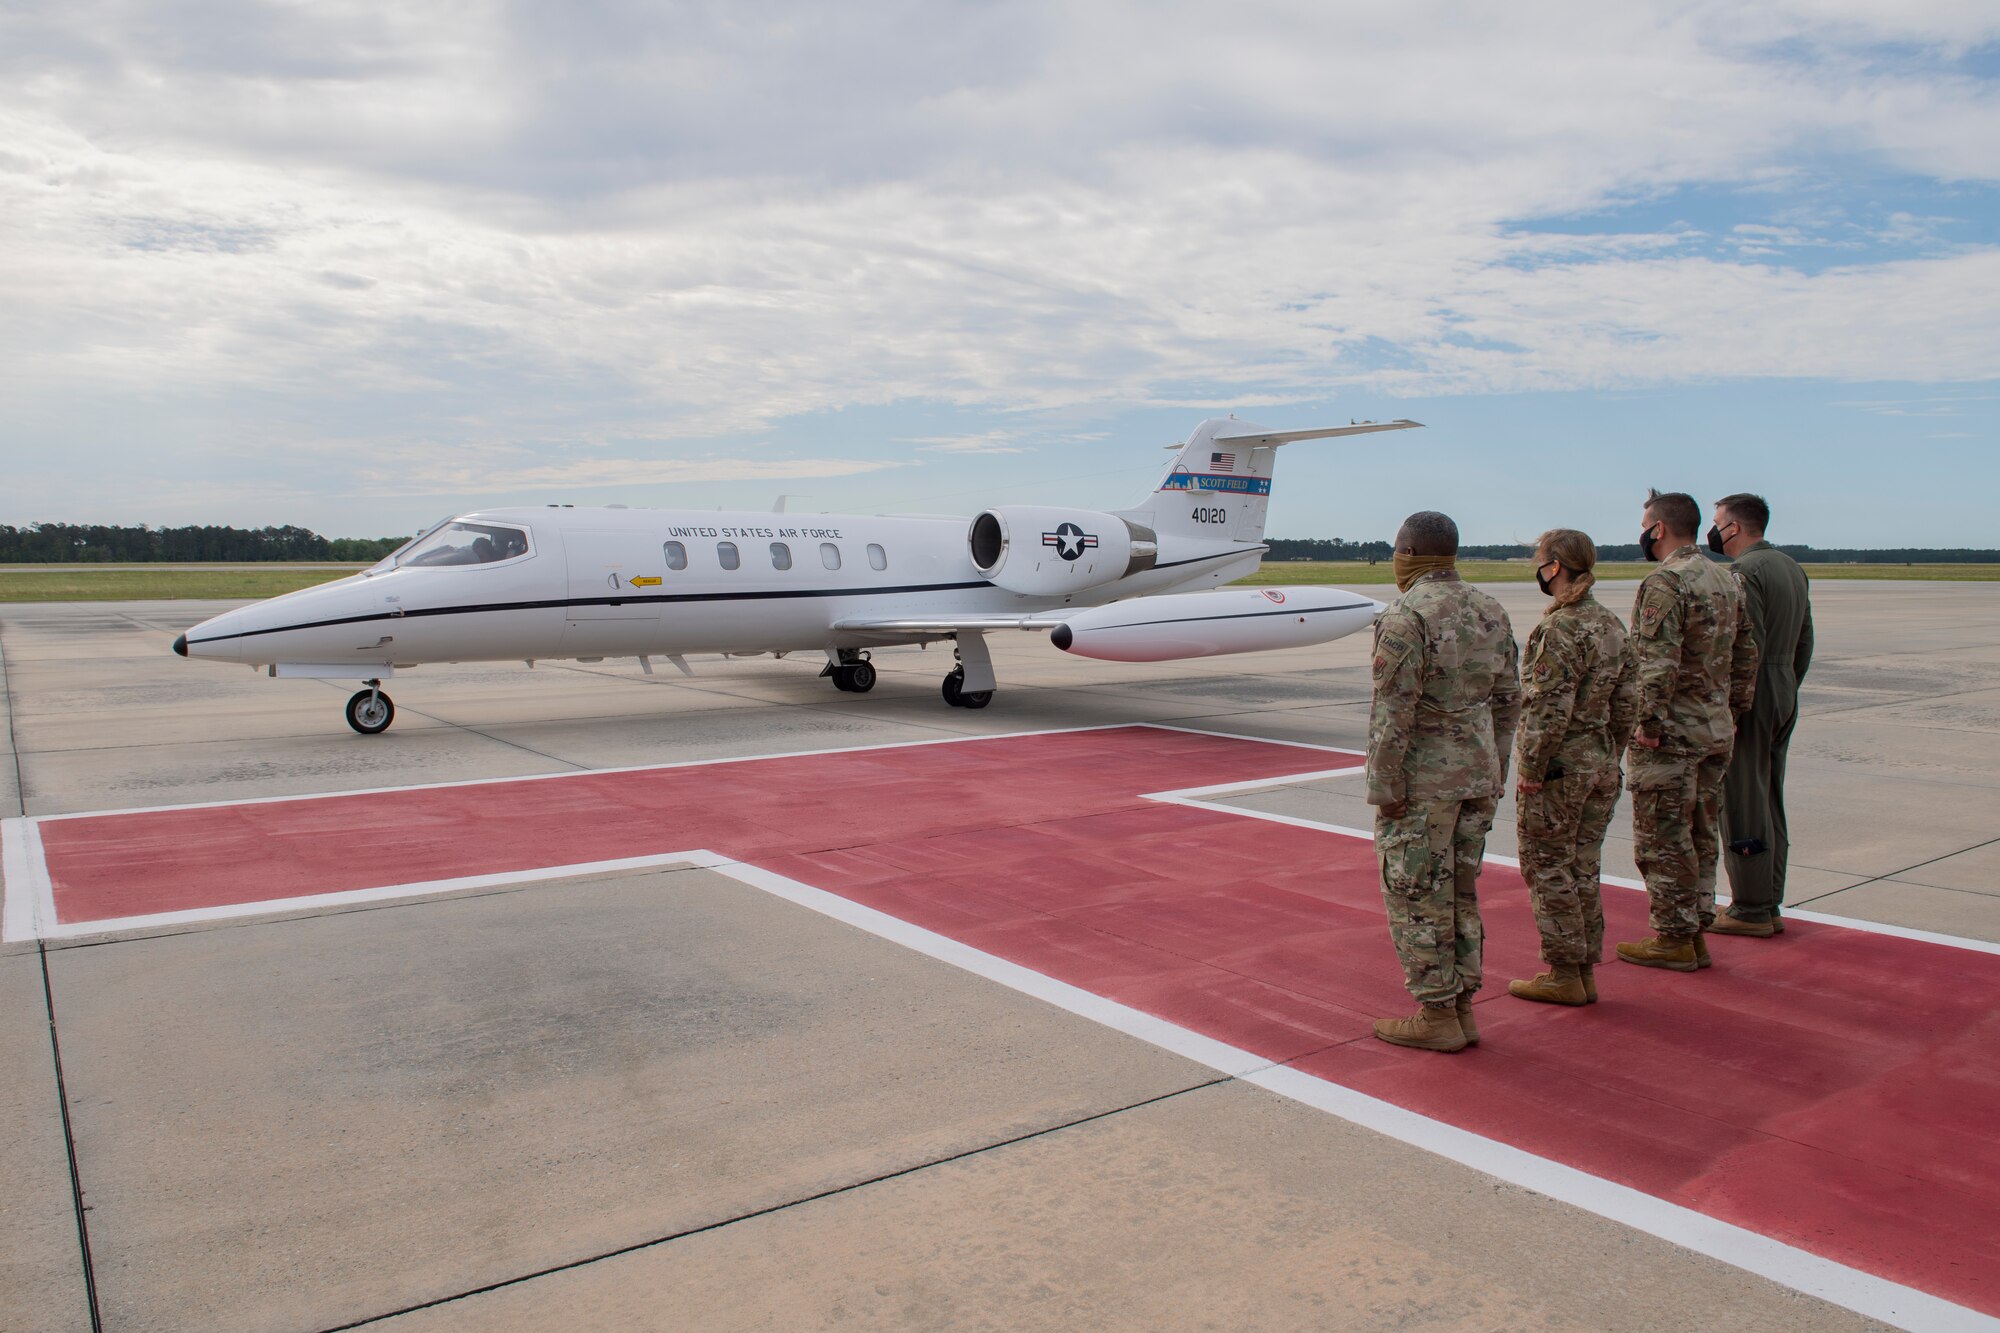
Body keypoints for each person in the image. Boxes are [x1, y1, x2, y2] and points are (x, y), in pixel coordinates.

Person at [1366, 511, 1521, 1052]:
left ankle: (1436, 1012)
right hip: (1477, 774)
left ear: (1406, 553)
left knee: (1414, 892)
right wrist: (1497, 767)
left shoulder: (1407, 615)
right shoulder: (1490, 608)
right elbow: (1508, 700)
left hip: (1424, 781)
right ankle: (1461, 1008)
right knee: (1459, 889)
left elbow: (1394, 711)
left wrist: (1383, 787)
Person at [1616, 490, 1758, 972]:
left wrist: (1647, 725)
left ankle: (1674, 937)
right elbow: (1745, 656)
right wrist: (1733, 710)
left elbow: (1656, 665)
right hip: (1715, 729)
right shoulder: (1726, 579)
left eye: (1645, 524)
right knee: (1700, 832)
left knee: (1662, 838)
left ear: (1658, 529)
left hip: (1673, 735)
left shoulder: (1667, 583)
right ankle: (1695, 929)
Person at [1508, 530, 1638, 1006]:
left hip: (1562, 767)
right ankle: (1582, 968)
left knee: (1547, 867)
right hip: (1600, 762)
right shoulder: (1609, 623)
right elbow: (1628, 702)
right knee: (1583, 866)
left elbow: (1548, 709)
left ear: (1555, 567)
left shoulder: (1559, 628)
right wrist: (1611, 753)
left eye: (1540, 561)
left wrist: (1531, 768)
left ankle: (1564, 970)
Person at [1708, 494, 1814, 937]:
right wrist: (1785, 685)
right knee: (1770, 794)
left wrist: (1734, 705)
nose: (1713, 531)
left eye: (1717, 522)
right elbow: (1805, 640)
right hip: (1783, 684)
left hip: (1754, 692)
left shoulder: (1744, 573)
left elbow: (1742, 646)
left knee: (1742, 797)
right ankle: (1769, 899)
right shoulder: (1791, 568)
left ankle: (1750, 908)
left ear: (1733, 527)